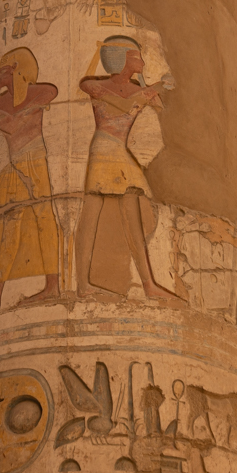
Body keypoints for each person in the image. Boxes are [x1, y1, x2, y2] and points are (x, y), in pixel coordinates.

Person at [75, 36, 181, 302]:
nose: (142, 61)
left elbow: (157, 107)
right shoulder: (97, 85)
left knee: (132, 218)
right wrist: (153, 87)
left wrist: (150, 89)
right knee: (91, 213)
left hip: (120, 151)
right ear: (120, 58)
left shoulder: (137, 88)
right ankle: (83, 284)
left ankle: (149, 285)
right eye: (136, 56)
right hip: (103, 148)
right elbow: (121, 104)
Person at [0, 46, 62, 318]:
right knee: (5, 230)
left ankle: (52, 286)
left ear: (17, 70)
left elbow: (13, 125)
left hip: (35, 159)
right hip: (13, 167)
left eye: (3, 71)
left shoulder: (40, 92)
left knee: (45, 221)